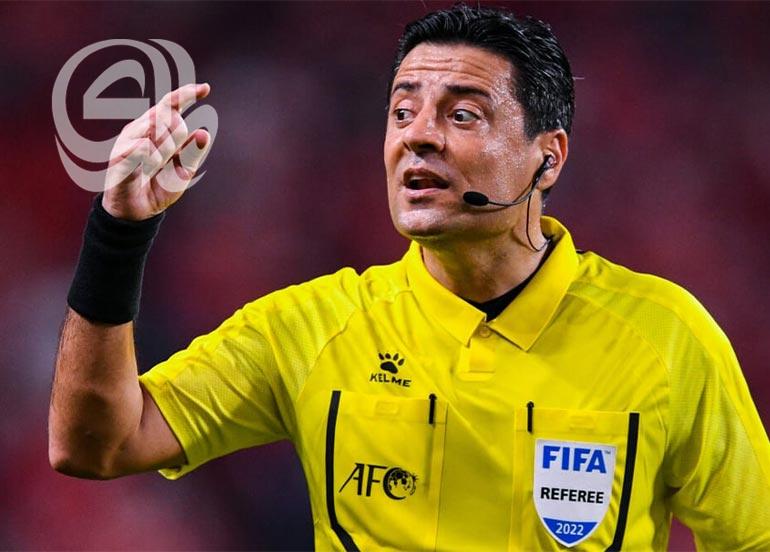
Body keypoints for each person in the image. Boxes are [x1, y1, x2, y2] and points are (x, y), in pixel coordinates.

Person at [49, 5, 770, 550]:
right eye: (402, 110)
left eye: (463, 114)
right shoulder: (312, 328)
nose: (417, 134)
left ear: (547, 158)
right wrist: (119, 233)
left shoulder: (665, 337)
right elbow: (96, 445)